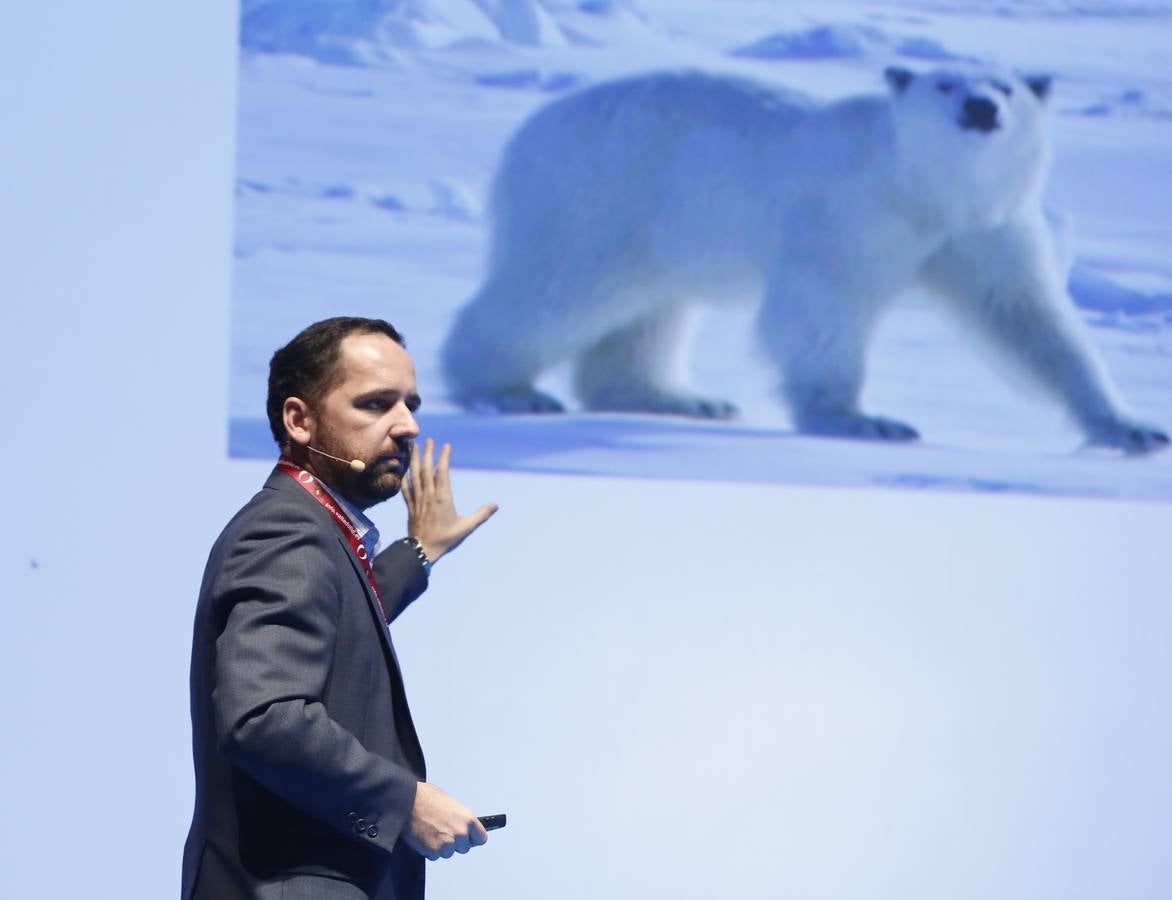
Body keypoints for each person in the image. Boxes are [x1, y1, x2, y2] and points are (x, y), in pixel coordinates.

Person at [182, 317, 497, 899]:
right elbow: (263, 718)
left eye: (410, 404)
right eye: (376, 404)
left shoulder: (308, 531)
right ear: (299, 420)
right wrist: (404, 800)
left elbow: (339, 617)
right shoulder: (284, 531)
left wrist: (419, 551)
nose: (408, 426)